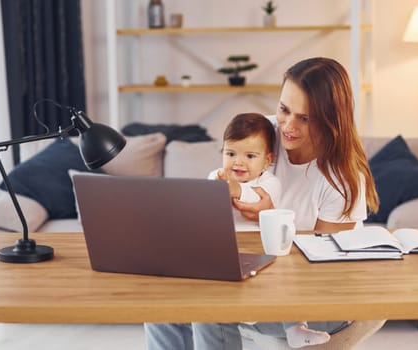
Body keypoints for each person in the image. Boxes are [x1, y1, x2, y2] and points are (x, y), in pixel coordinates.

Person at [145, 57, 379, 350]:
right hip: (249, 276)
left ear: (330, 119)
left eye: (305, 118)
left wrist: (273, 222)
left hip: (314, 301)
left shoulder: (343, 179)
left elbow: (325, 272)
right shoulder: (263, 135)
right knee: (160, 301)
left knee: (212, 306)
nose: (288, 127)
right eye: (284, 109)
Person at [208, 112, 281, 229]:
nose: (238, 162)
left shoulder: (271, 183)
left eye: (250, 156)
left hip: (255, 241)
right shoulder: (218, 175)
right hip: (221, 236)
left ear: (267, 160)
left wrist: (236, 189)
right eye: (231, 154)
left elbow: (257, 199)